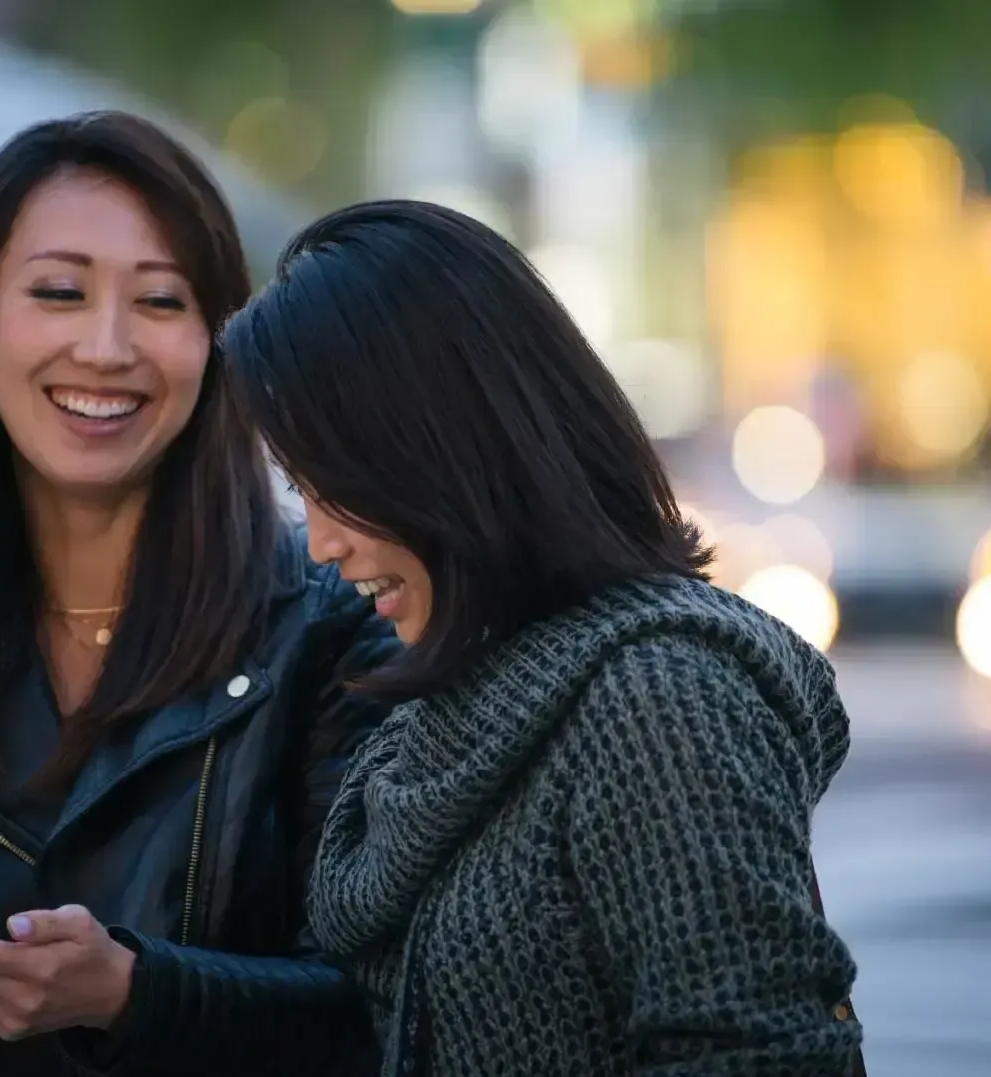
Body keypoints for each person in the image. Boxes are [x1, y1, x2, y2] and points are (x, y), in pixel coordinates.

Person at [0, 112, 397, 1077]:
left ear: (218, 341)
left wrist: (132, 992)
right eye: (60, 292)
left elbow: (394, 1019)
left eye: (160, 302)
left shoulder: (332, 635)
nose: (108, 348)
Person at [221, 199, 864, 1076]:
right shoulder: (454, 698)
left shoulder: (655, 694)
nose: (324, 543)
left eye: (335, 482)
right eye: (299, 488)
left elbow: (754, 1053)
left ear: (443, 447)